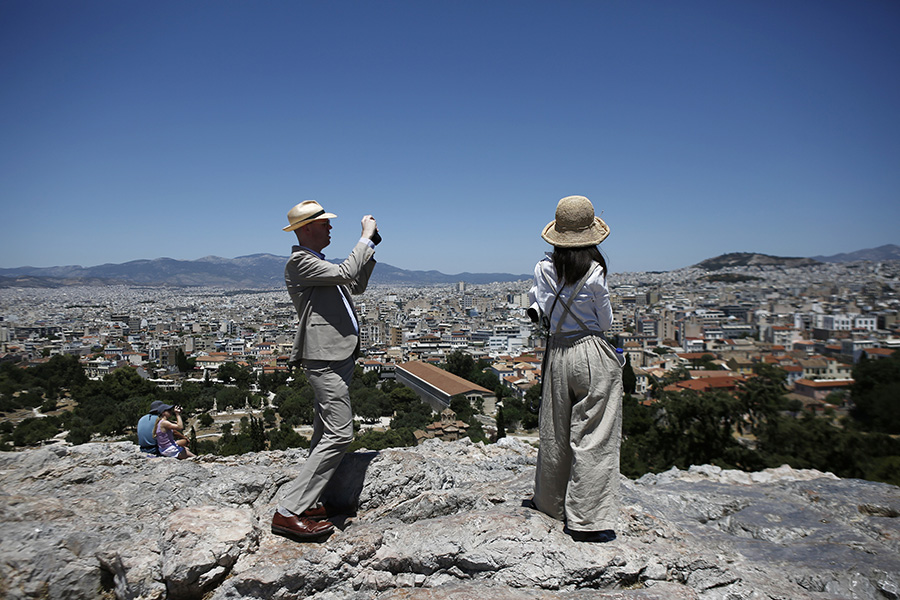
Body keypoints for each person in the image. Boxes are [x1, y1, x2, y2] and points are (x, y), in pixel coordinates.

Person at [272, 200, 378, 543]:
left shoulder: (319, 264)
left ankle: (311, 499)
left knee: (323, 432)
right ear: (306, 229)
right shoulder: (299, 261)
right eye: (324, 223)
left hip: (338, 354)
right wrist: (363, 237)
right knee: (340, 433)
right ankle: (289, 511)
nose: (330, 227)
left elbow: (355, 285)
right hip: (323, 357)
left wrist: (371, 248)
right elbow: (347, 273)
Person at [527, 195, 624, 543]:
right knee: (594, 435)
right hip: (590, 351)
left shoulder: (542, 269)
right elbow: (605, 321)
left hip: (557, 353)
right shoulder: (595, 272)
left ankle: (550, 503)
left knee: (554, 431)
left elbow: (540, 305)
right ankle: (588, 519)